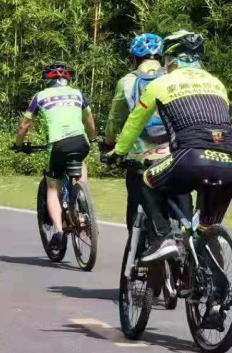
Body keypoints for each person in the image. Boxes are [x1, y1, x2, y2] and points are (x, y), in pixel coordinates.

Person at [108, 31, 232, 265]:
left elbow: (135, 122)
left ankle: (163, 236)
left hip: (191, 158)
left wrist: (118, 152)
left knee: (146, 180)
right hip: (228, 162)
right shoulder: (217, 84)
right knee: (205, 230)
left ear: (170, 60)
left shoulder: (160, 84)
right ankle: (215, 292)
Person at [103, 33, 189, 232]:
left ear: (134, 58)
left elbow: (115, 118)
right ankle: (193, 242)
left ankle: (143, 252)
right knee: (181, 192)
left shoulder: (126, 82)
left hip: (139, 154)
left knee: (136, 198)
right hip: (173, 150)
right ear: (161, 57)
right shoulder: (172, 77)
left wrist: (109, 144)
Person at [14, 63, 97, 251]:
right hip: (80, 142)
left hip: (58, 145)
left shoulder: (40, 96)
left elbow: (24, 126)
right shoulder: (78, 94)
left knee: (52, 187)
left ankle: (59, 232)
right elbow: (89, 120)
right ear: (67, 79)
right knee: (80, 164)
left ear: (47, 80)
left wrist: (18, 145)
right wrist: (92, 138)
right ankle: (83, 202)